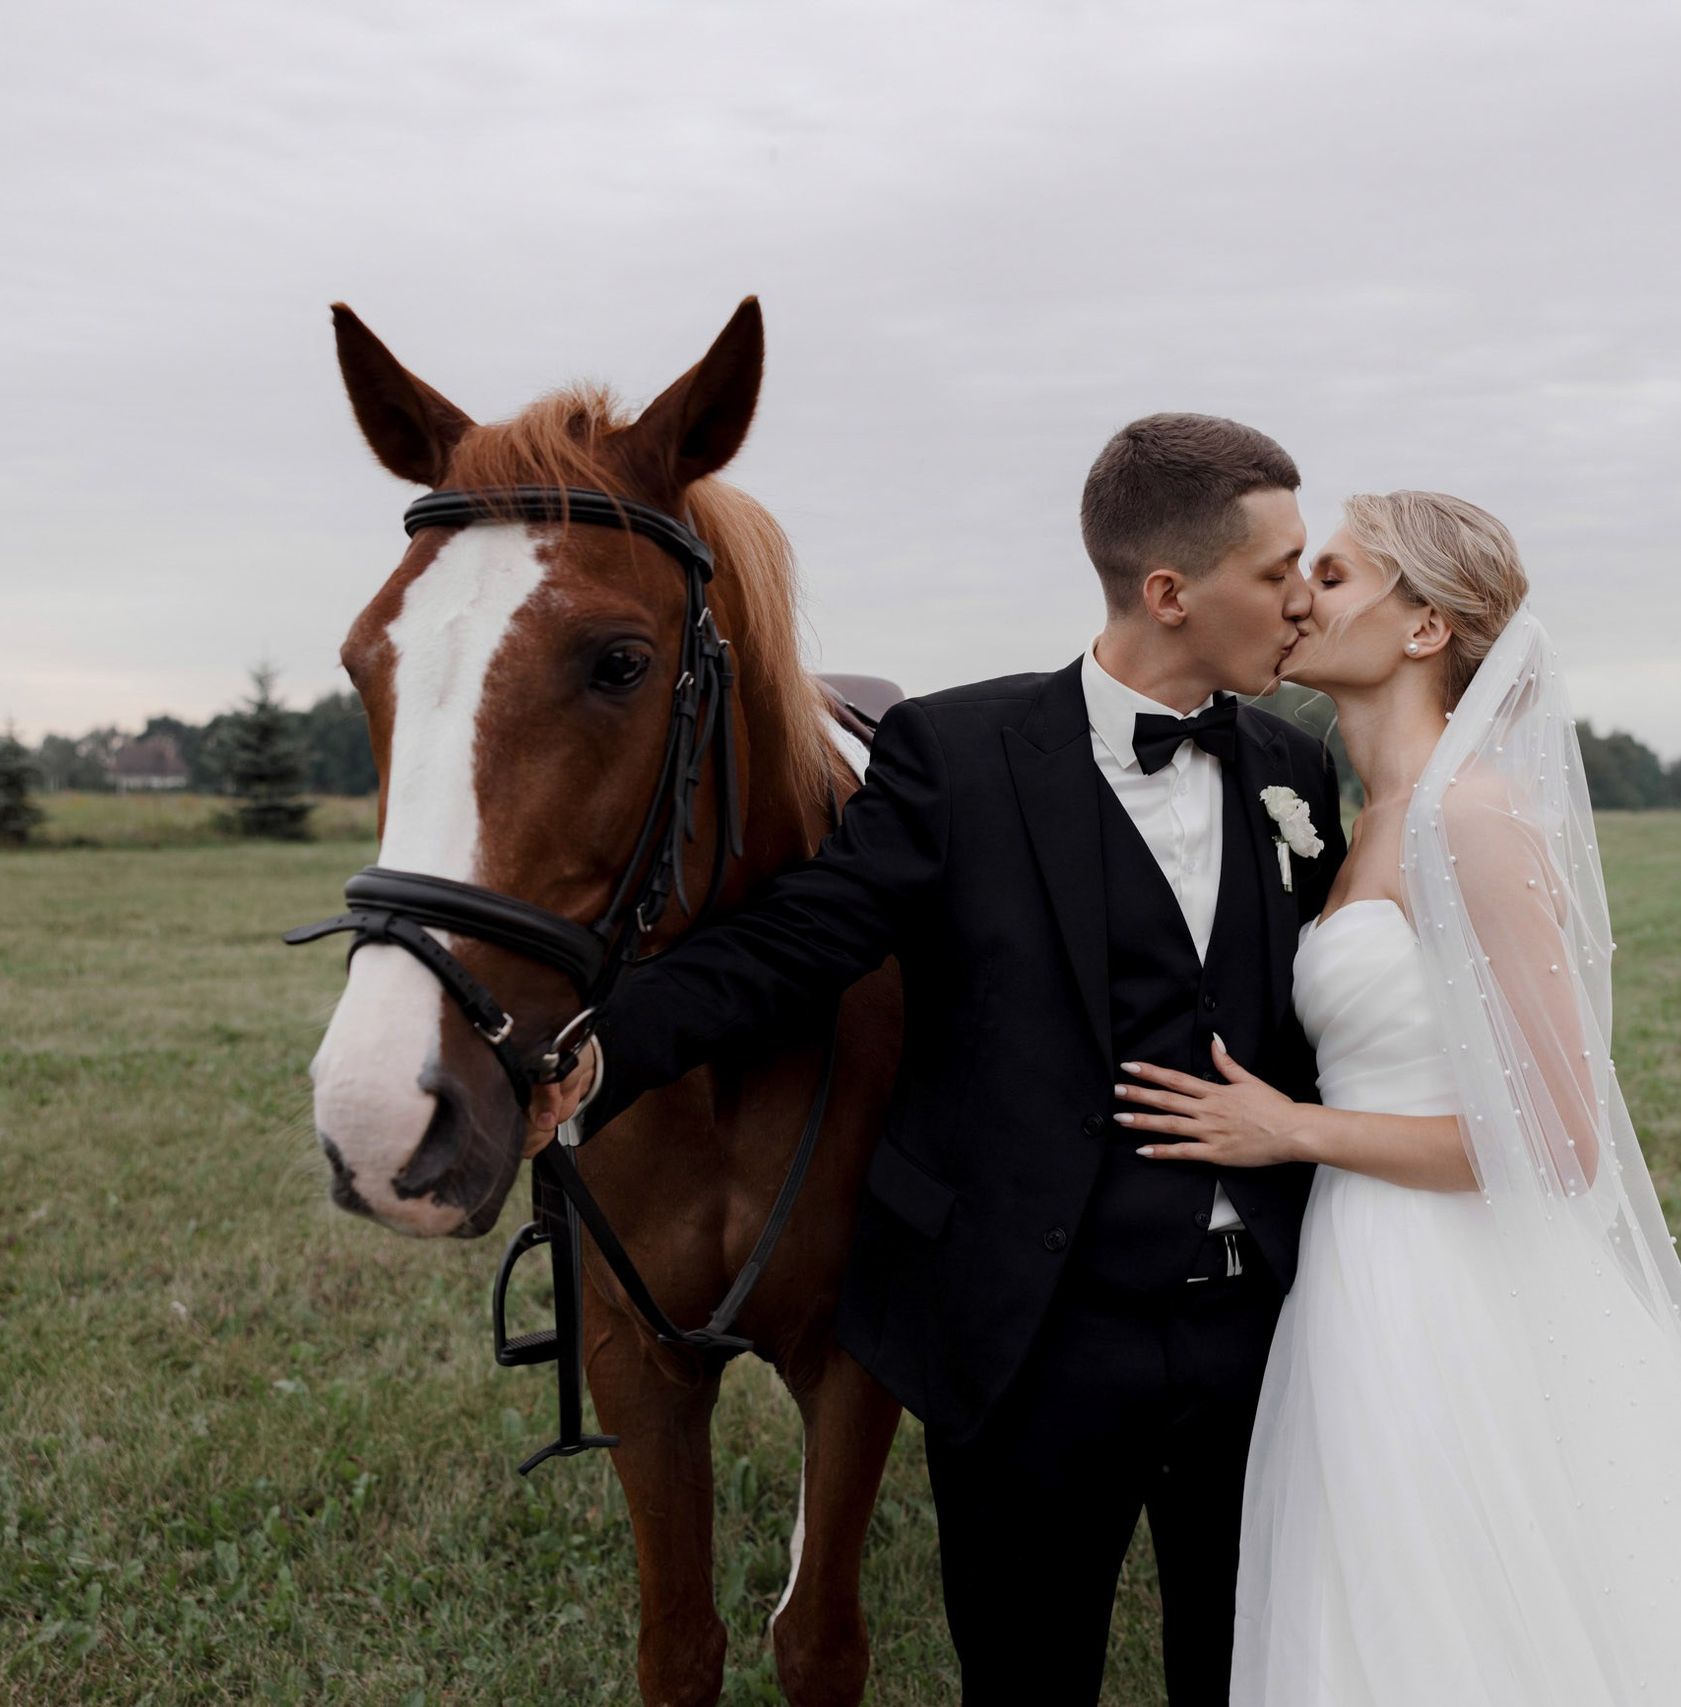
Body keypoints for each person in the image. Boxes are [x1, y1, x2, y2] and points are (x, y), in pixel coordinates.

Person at [529, 414, 1346, 1706]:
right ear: (1171, 591)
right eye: (1280, 568)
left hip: (1263, 1328)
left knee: (1248, 1673)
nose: (1306, 599)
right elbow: (804, 936)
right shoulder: (960, 755)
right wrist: (606, 1046)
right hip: (1035, 1337)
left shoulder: (1301, 769)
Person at [1110, 491, 1681, 1704]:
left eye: (1331, 576)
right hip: (1355, 1264)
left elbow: (1563, 1139)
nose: (1296, 597)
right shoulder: (1361, 816)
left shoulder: (1472, 816)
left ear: (1424, 627)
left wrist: (1291, 1130)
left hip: (1451, 1285)